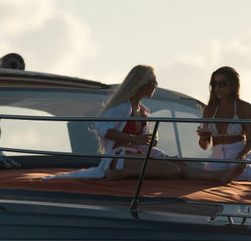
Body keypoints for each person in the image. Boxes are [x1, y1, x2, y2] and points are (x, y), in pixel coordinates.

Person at [96, 65, 239, 182]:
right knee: (172, 170)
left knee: (176, 165)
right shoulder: (122, 107)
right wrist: (134, 139)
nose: (156, 86)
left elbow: (143, 146)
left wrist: (164, 156)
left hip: (137, 157)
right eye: (154, 82)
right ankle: (120, 173)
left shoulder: (144, 112)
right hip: (119, 159)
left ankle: (218, 176)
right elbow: (102, 128)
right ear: (143, 84)